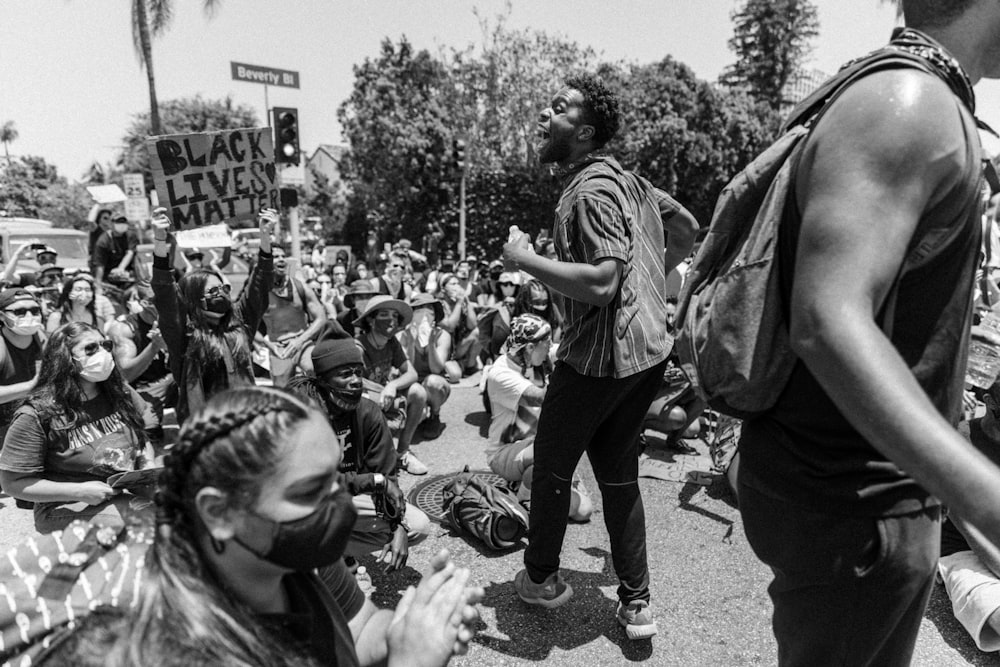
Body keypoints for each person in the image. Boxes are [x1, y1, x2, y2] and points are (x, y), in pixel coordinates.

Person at [730, 9, 1000, 665]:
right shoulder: (911, 103)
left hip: (859, 503)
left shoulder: (911, 94)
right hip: (853, 509)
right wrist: (985, 495)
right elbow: (829, 317)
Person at [71, 386, 481, 667]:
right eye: (307, 491)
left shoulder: (295, 557)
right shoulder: (175, 639)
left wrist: (405, 629)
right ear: (219, 512)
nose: (337, 501)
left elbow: (359, 628)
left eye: (335, 480)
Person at [501, 73, 697, 639]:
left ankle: (539, 579)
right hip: (647, 357)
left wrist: (523, 257)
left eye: (558, 107)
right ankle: (636, 603)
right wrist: (651, 286)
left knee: (553, 469)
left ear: (584, 132)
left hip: (595, 361)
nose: (544, 112)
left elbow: (603, 281)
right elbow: (684, 227)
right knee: (618, 475)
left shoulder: (587, 190)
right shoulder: (628, 181)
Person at [0, 322, 158, 533]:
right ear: (65, 359)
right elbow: (12, 484)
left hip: (123, 488)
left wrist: (147, 465)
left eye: (106, 345)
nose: (102, 353)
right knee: (147, 518)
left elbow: (142, 436)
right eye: (91, 348)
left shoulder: (119, 391)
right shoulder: (37, 414)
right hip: (68, 504)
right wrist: (79, 491)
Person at [289, 337, 431, 570]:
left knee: (418, 525)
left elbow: (387, 474)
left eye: (358, 372)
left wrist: (398, 524)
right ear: (323, 380)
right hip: (306, 501)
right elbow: (311, 484)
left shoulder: (368, 412)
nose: (355, 381)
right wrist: (374, 481)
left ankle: (337, 556)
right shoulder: (302, 413)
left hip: (346, 494)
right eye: (345, 374)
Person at [150, 207, 276, 424]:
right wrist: (160, 241)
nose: (221, 295)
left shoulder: (239, 321)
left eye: (224, 289)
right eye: (212, 292)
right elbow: (165, 294)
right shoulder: (184, 333)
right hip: (203, 432)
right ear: (193, 299)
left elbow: (260, 284)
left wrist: (265, 236)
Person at [485, 314, 591, 521]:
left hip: (539, 448)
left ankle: (530, 482)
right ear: (530, 348)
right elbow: (542, 398)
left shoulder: (535, 353)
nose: (550, 347)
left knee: (583, 511)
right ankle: (522, 504)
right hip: (504, 453)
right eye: (547, 344)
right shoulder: (500, 374)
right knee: (553, 448)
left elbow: (572, 351)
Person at [355, 295, 432, 475]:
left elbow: (411, 373)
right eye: (384, 314)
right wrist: (385, 394)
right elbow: (354, 385)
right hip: (365, 401)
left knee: (418, 392)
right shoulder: (359, 347)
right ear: (371, 320)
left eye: (394, 315)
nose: (391, 320)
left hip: (385, 395)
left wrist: (393, 386)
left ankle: (402, 452)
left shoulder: (391, 343)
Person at [258, 245, 327, 387]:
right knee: (282, 394)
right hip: (279, 349)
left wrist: (300, 341)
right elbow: (245, 324)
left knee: (317, 370)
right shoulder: (259, 292)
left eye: (283, 256)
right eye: (276, 257)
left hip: (303, 344)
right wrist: (268, 345)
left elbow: (321, 317)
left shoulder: (300, 287)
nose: (281, 259)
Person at [106, 283, 173, 427]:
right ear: (146, 303)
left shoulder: (177, 318)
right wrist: (154, 346)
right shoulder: (124, 328)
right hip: (143, 385)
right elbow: (126, 375)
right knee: (146, 424)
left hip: (174, 378)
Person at [396, 293, 453, 442]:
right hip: (412, 383)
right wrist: (410, 343)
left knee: (433, 381)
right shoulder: (401, 335)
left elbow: (436, 369)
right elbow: (407, 369)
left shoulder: (442, 335)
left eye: (429, 309)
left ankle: (434, 415)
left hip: (434, 384)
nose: (424, 314)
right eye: (419, 309)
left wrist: (432, 344)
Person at [0, 289, 44, 443]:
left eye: (34, 310)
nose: (29, 317)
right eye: (19, 311)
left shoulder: (43, 338)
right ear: (1, 315)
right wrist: (32, 386)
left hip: (38, 425)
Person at [438, 273, 480, 381]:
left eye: (458, 284)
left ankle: (469, 367)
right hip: (443, 351)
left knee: (476, 332)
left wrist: (466, 300)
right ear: (443, 289)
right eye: (452, 284)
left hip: (457, 348)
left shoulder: (461, 303)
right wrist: (459, 303)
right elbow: (450, 326)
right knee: (454, 375)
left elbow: (473, 324)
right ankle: (458, 365)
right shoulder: (438, 305)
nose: (457, 286)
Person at [477, 271, 520, 363]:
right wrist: (501, 306)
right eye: (505, 284)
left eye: (511, 284)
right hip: (495, 340)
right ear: (499, 286)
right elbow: (484, 316)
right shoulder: (494, 298)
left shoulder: (521, 301)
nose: (508, 287)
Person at [92, 214, 139, 289]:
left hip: (128, 277)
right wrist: (98, 284)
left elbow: (130, 253)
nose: (121, 225)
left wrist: (121, 268)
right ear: (111, 224)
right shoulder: (103, 241)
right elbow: (100, 265)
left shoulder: (130, 236)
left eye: (123, 222)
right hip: (109, 278)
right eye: (118, 222)